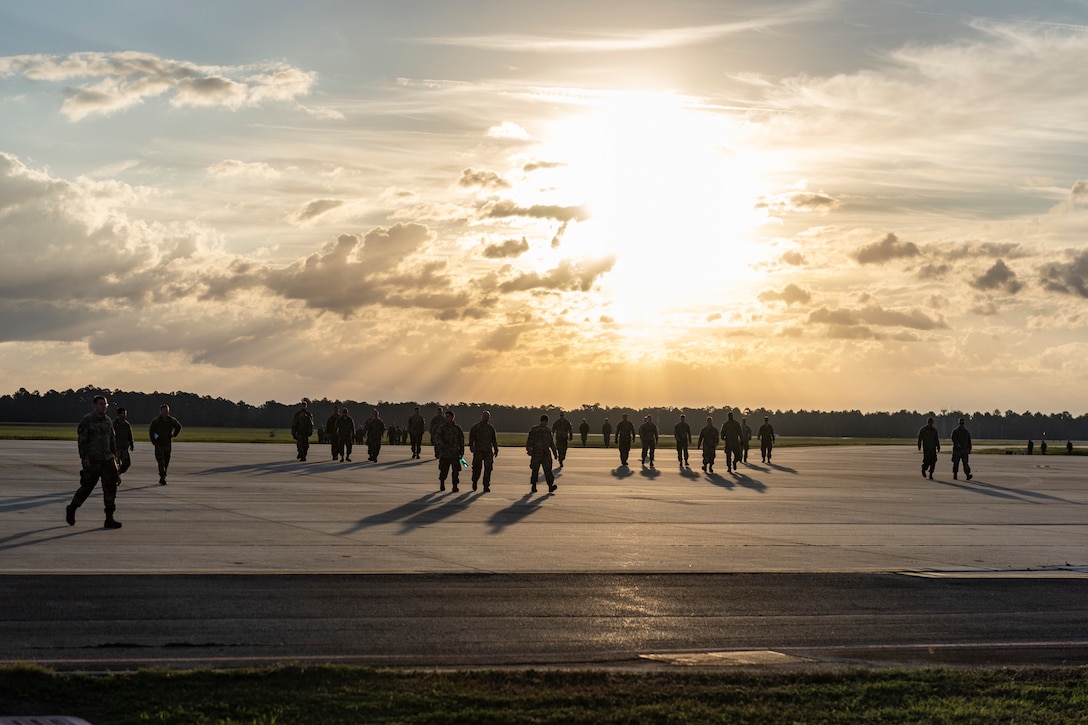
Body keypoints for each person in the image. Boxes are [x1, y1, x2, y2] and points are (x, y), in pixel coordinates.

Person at [66, 394, 122, 529]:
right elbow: (82, 442)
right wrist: (84, 458)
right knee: (87, 487)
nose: (103, 406)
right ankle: (72, 507)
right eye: (101, 404)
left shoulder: (108, 421)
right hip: (93, 459)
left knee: (110, 489)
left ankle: (109, 518)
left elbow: (112, 442)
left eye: (105, 404)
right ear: (94, 405)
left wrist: (115, 460)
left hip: (107, 460)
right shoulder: (87, 421)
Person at [149, 404, 182, 485]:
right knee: (161, 462)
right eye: (164, 411)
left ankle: (163, 475)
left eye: (167, 411)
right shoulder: (156, 421)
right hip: (159, 444)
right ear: (161, 411)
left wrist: (174, 434)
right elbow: (152, 432)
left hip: (167, 444)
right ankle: (162, 476)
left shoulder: (171, 420)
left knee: (166, 461)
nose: (165, 412)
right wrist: (155, 440)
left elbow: (178, 426)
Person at [526, 414, 558, 494]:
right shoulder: (535, 430)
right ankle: (534, 486)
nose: (545, 423)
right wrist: (529, 449)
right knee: (535, 470)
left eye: (546, 422)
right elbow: (529, 441)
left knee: (548, 470)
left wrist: (554, 452)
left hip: (545, 454)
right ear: (541, 421)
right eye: (544, 421)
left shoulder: (548, 430)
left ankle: (550, 486)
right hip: (536, 453)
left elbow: (551, 443)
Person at [468, 410, 499, 492]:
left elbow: (494, 439)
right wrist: (471, 446)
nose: (486, 418)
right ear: (481, 417)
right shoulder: (476, 427)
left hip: (488, 451)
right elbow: (471, 438)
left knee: (488, 469)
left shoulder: (490, 428)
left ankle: (486, 486)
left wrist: (496, 449)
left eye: (488, 417)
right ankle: (474, 481)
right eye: (485, 416)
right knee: (477, 468)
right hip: (478, 450)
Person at [435, 410, 465, 492]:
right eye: (445, 417)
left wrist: (462, 452)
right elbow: (437, 437)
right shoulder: (442, 428)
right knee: (444, 470)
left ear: (452, 417)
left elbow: (461, 440)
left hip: (455, 453)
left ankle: (455, 486)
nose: (446, 418)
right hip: (445, 453)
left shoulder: (457, 428)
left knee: (456, 471)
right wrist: (440, 443)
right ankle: (442, 483)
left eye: (448, 417)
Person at [114, 406, 135, 481]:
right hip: (116, 448)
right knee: (116, 464)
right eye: (123, 413)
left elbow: (129, 435)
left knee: (127, 463)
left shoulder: (127, 424)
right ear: (119, 414)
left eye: (125, 413)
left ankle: (118, 473)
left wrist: (131, 444)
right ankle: (116, 477)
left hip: (124, 447)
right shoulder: (114, 424)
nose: (125, 415)